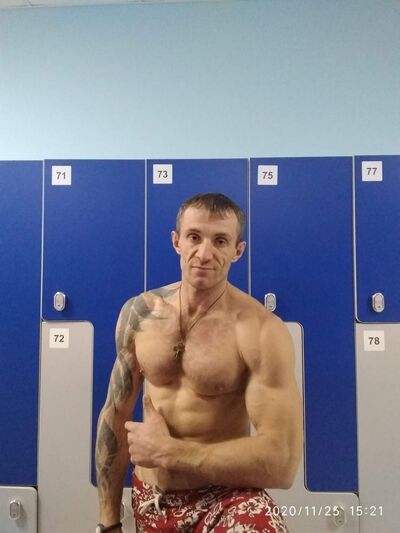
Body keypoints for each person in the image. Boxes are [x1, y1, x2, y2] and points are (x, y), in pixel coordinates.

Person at [95, 192, 303, 533]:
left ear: (238, 251)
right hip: (151, 500)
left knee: (259, 523)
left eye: (220, 241)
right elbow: (115, 415)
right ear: (176, 241)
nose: (204, 254)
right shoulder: (140, 313)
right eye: (194, 237)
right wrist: (108, 523)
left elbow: (282, 461)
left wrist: (171, 452)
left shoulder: (260, 331)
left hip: (225, 498)